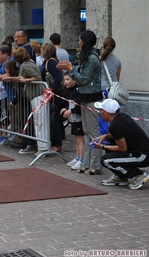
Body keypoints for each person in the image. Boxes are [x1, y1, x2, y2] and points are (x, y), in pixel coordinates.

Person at [57, 30, 103, 175]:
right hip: (85, 97)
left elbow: (83, 79)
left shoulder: (93, 59)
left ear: (85, 41)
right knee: (87, 132)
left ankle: (95, 165)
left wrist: (70, 69)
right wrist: (71, 67)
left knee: (93, 132)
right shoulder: (87, 57)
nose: (78, 42)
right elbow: (81, 73)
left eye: (80, 40)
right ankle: (87, 163)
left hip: (92, 98)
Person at [93, 99, 149, 190]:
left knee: (106, 160)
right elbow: (122, 134)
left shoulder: (114, 126)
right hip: (143, 152)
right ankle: (121, 177)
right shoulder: (122, 117)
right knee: (110, 142)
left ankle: (139, 175)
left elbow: (122, 148)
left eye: (101, 110)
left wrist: (102, 147)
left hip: (142, 156)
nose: (99, 112)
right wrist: (105, 136)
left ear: (106, 113)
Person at [39, 43, 64, 153]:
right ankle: (55, 142)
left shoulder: (51, 62)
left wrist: (52, 90)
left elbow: (58, 77)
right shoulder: (50, 61)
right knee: (53, 118)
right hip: (51, 93)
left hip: (54, 94)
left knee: (54, 119)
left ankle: (56, 144)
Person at [61, 74, 84, 170]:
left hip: (78, 118)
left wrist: (71, 111)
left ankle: (82, 160)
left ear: (74, 81)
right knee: (76, 139)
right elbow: (71, 104)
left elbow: (79, 105)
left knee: (80, 139)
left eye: (67, 79)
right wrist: (66, 108)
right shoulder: (70, 92)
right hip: (73, 118)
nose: (65, 82)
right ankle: (77, 157)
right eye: (64, 79)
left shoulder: (77, 91)